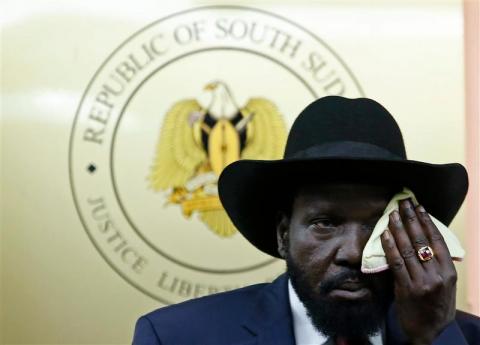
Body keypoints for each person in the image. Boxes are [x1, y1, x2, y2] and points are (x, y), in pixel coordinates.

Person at [132, 96, 480, 344]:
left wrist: (433, 336)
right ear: (284, 235)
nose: (355, 252)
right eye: (325, 223)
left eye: (377, 225)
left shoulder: (464, 338)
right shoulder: (178, 336)